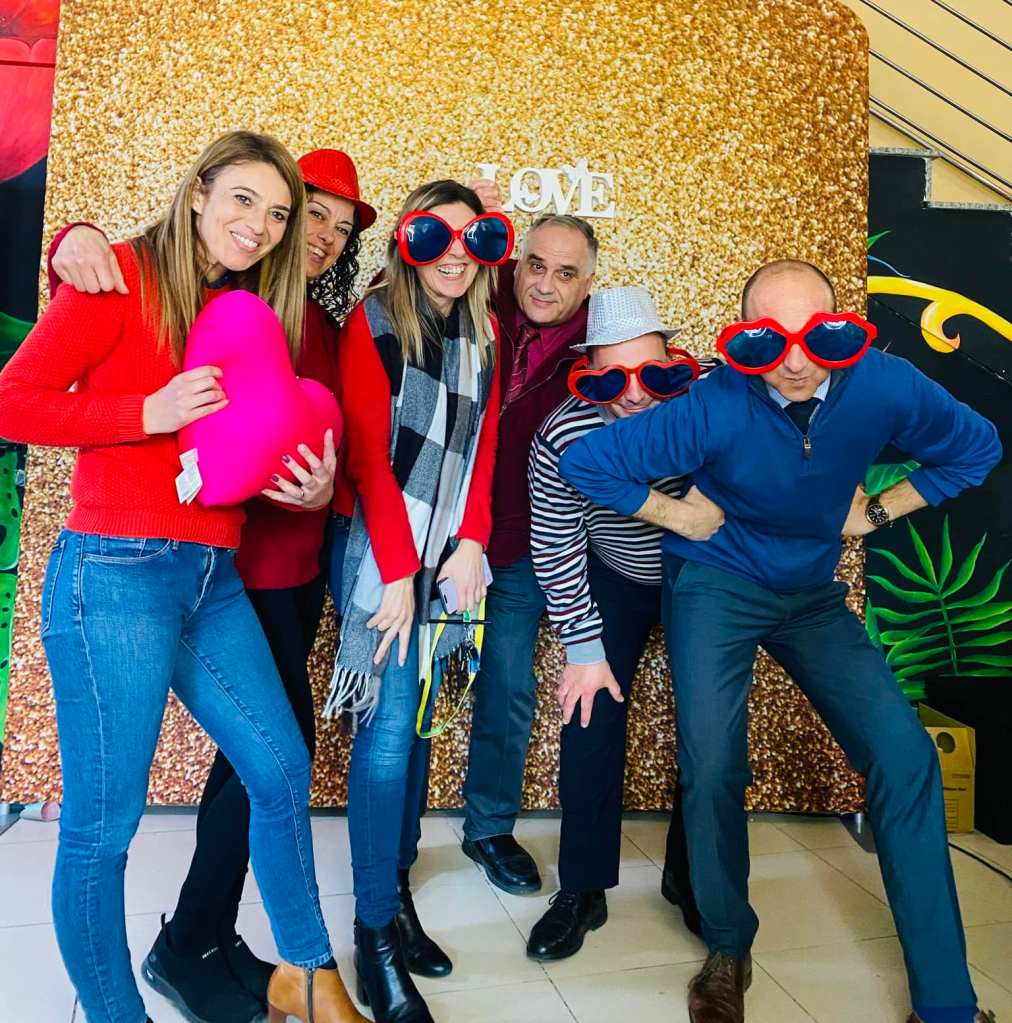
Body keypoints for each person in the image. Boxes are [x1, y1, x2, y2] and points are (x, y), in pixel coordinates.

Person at [559, 259, 1001, 1023]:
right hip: (716, 585)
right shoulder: (715, 402)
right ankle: (727, 946)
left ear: (843, 329)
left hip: (810, 594)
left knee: (905, 757)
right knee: (713, 763)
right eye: (770, 339)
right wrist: (677, 516)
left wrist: (879, 510)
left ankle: (945, 1004)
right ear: (741, 339)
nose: (795, 361)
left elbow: (977, 445)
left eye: (817, 337)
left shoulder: (884, 385)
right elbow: (587, 460)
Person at [0, 131, 368, 1023]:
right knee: (104, 827)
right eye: (244, 199)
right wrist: (146, 411)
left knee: (280, 769)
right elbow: (12, 399)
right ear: (199, 190)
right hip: (115, 574)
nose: (260, 226)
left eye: (276, 214)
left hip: (211, 574)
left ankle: (310, 975)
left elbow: (247, 444)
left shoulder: (244, 307)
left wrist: (311, 483)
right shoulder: (121, 275)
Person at [331, 180, 505, 1023]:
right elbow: (367, 455)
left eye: (475, 239)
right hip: (380, 549)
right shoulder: (373, 321)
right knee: (391, 730)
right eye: (437, 236)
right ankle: (373, 934)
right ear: (407, 241)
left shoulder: (484, 330)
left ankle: (394, 892)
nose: (455, 255)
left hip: (447, 549)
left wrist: (472, 540)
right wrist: (400, 573)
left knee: (425, 720)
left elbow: (486, 443)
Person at [526, 285, 718, 961]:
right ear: (586, 373)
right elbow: (556, 541)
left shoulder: (713, 401)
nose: (633, 395)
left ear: (677, 362)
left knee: (711, 726)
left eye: (653, 374)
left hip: (706, 575)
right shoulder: (562, 434)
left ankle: (695, 877)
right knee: (589, 715)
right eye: (611, 377)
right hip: (617, 574)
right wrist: (583, 646)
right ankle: (582, 887)